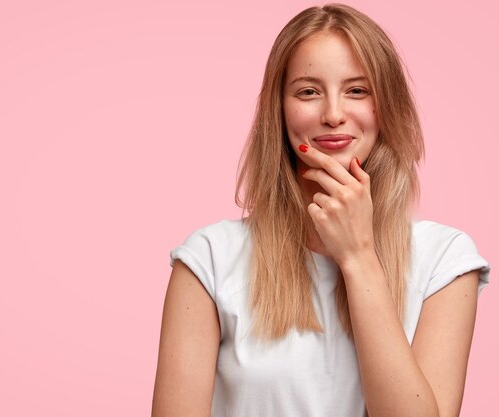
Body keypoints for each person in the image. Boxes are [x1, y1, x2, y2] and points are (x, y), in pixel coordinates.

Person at [151, 3, 491, 417]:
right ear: (279, 109)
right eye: (308, 91)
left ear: (386, 107)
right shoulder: (208, 259)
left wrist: (358, 256)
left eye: (357, 90)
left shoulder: (445, 260)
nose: (333, 115)